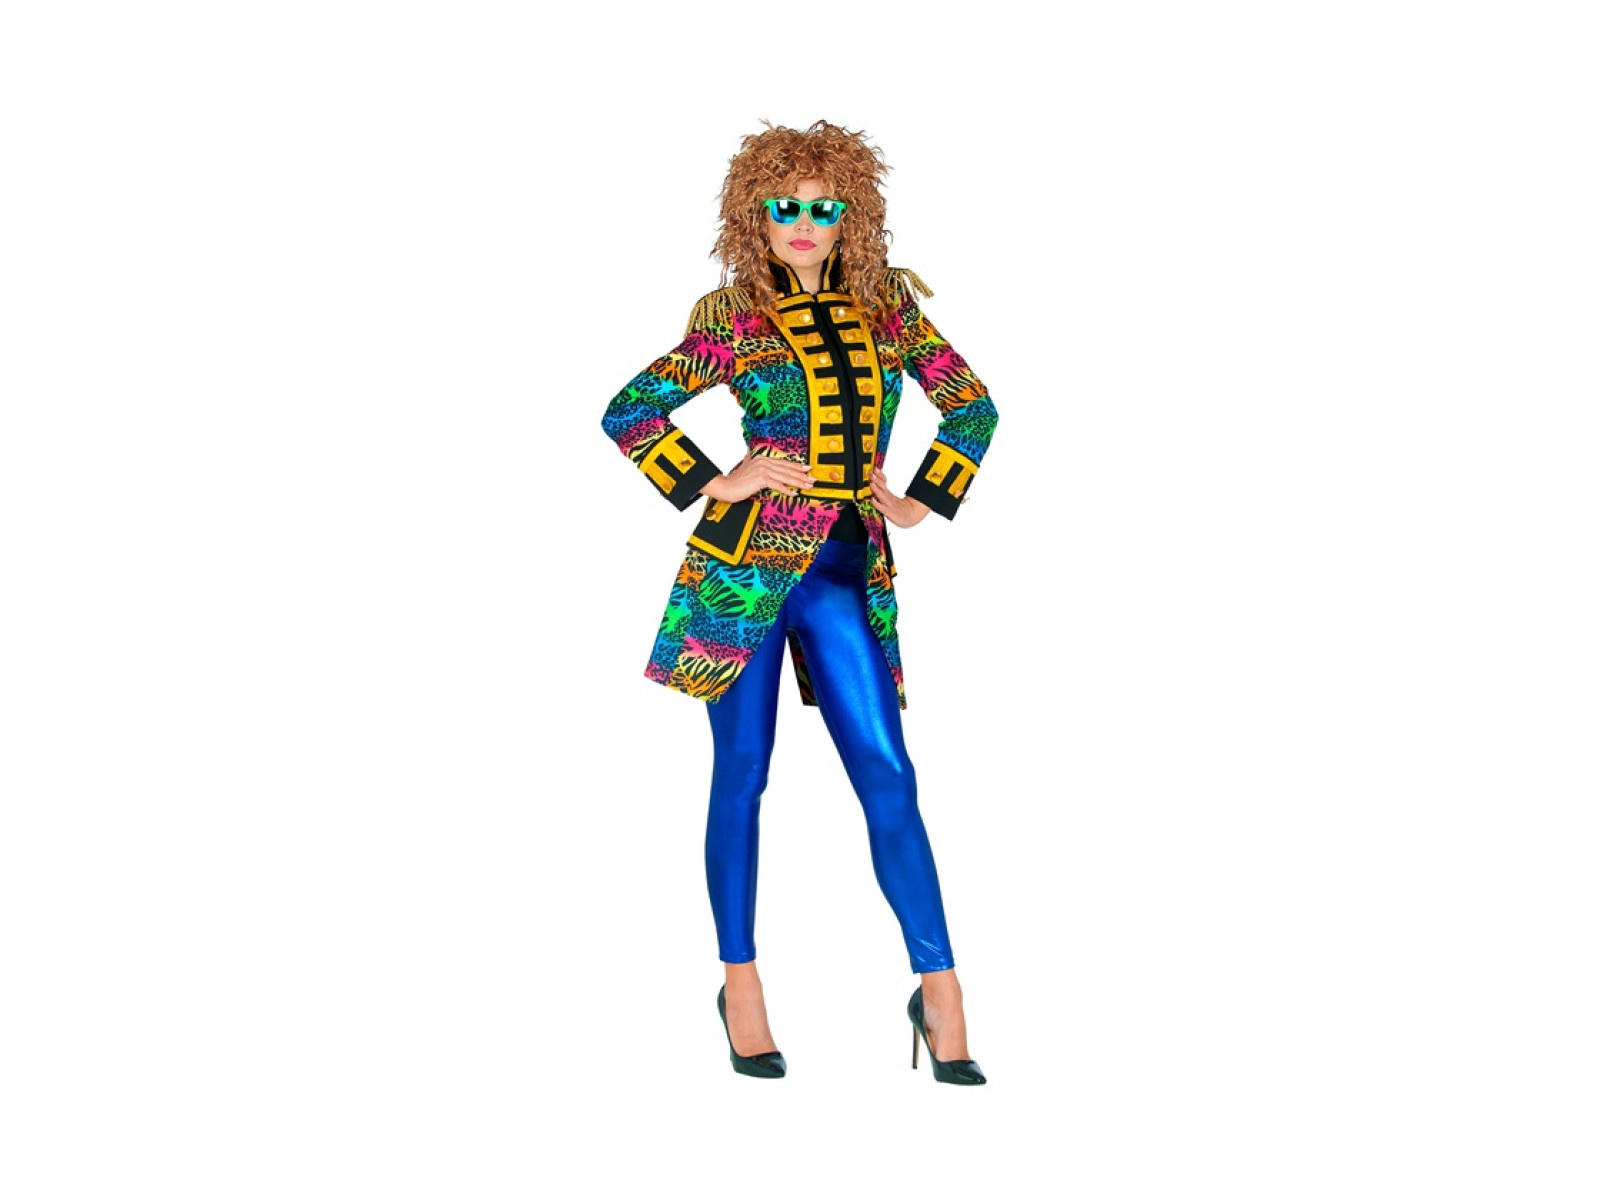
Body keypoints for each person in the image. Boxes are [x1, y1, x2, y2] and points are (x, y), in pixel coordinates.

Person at [600, 120, 998, 1084]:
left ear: (851, 214)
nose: (806, 223)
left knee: (888, 772)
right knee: (742, 774)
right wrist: (715, 478)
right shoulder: (733, 316)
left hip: (844, 568)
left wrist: (920, 497)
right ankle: (740, 986)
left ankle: (940, 988)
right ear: (757, 214)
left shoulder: (888, 308)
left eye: (825, 206)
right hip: (738, 576)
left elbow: (973, 403)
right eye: (786, 206)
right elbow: (630, 409)